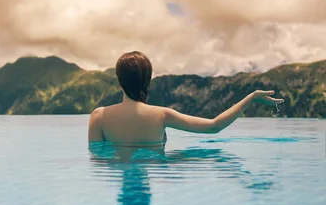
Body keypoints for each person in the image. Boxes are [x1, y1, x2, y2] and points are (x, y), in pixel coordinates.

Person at [88, 51, 284, 145]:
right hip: (155, 168)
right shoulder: (161, 115)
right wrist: (250, 98)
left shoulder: (99, 116)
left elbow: (97, 159)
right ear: (147, 81)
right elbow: (214, 126)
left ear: (119, 81)